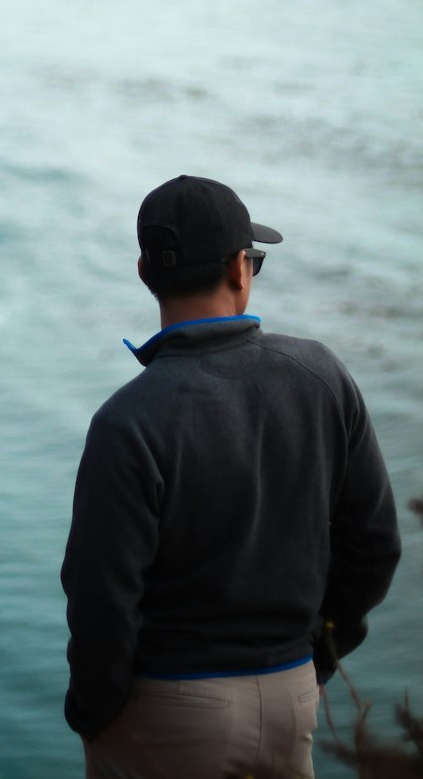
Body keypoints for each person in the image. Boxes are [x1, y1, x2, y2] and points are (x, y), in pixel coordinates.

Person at [61, 173, 401, 779]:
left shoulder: (127, 420)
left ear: (145, 271)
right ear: (239, 269)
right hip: (290, 694)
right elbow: (373, 545)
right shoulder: (322, 377)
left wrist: (95, 712)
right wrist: (315, 660)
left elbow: (101, 597)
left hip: (167, 710)